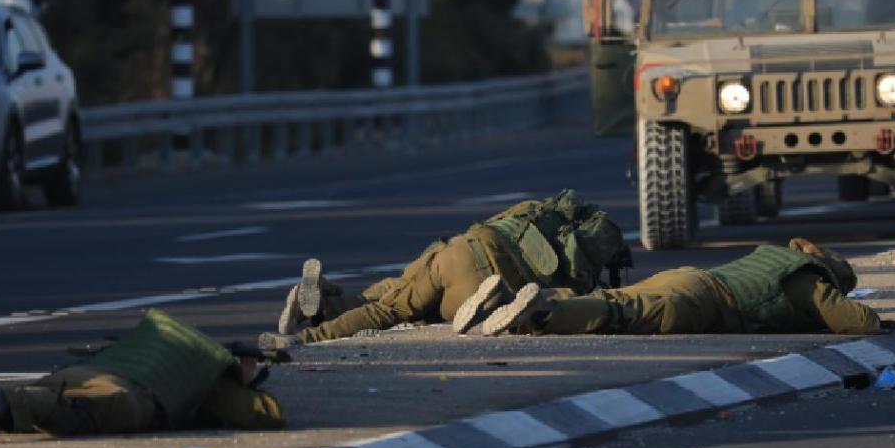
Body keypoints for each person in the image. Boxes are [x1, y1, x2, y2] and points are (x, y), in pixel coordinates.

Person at [0, 309, 285, 443]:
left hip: (86, 369)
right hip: (129, 393)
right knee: (74, 415)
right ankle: (3, 403)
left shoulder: (150, 341)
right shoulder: (205, 377)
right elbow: (264, 415)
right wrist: (237, 378)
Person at [265, 189, 632, 347]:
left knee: (391, 302)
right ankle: (325, 305)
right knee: (411, 304)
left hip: (461, 253)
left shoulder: (538, 211)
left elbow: (492, 225)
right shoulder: (580, 273)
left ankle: (306, 332)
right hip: (483, 293)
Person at [478, 237, 887, 337]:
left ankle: (512, 301)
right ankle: (537, 314)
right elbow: (862, 323)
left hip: (685, 276)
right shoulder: (808, 282)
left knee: (613, 297)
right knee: (621, 314)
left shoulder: (773, 254)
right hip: (701, 300)